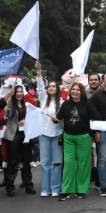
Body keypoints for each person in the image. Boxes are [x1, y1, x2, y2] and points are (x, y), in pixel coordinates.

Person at [57, 83, 98, 200]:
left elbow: (97, 117)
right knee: (68, 164)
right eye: (73, 89)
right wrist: (55, 119)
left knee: (83, 164)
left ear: (82, 92)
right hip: (68, 137)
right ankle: (66, 191)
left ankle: (81, 190)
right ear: (70, 91)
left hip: (84, 138)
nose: (75, 92)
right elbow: (58, 118)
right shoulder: (65, 104)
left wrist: (92, 133)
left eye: (77, 90)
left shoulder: (87, 104)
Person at [35, 61, 64, 198]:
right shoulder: (43, 99)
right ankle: (45, 188)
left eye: (54, 86)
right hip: (44, 135)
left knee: (56, 163)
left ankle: (55, 188)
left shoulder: (62, 103)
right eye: (50, 86)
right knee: (45, 163)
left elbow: (65, 118)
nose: (51, 88)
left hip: (58, 134)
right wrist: (39, 72)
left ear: (58, 89)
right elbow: (39, 87)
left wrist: (59, 120)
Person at [3, 85, 35, 196]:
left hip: (26, 135)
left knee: (26, 160)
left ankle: (28, 185)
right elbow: (7, 115)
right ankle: (9, 186)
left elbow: (33, 116)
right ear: (14, 93)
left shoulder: (27, 104)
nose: (20, 93)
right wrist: (8, 105)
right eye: (17, 92)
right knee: (13, 161)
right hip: (14, 134)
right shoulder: (11, 104)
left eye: (21, 91)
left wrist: (26, 120)